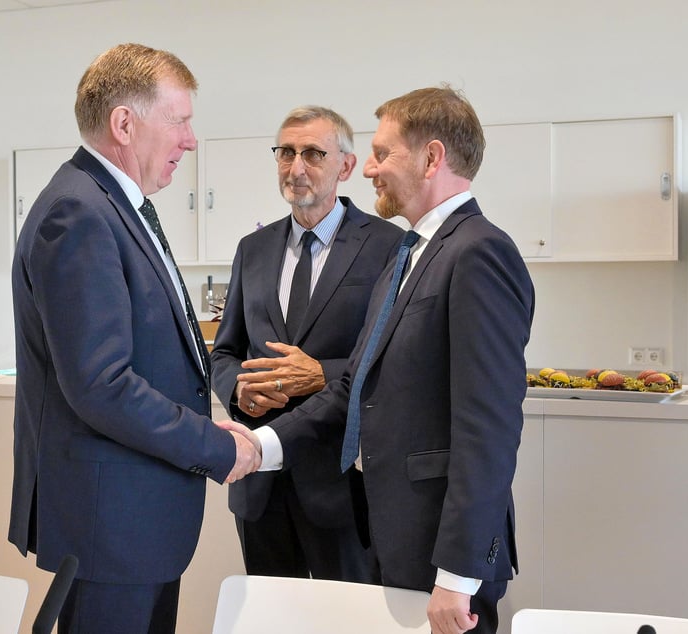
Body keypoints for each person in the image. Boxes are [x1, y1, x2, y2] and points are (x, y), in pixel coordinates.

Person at [225, 85, 535, 634]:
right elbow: (356, 387)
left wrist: (459, 575)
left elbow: (487, 429)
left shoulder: (478, 251)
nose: (368, 170)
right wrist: (259, 444)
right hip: (395, 534)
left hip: (442, 555)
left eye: (382, 153)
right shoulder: (411, 255)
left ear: (432, 158)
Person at [8, 43, 259, 634]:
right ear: (125, 123)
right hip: (110, 526)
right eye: (180, 120)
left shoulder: (115, 205)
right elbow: (101, 385)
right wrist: (215, 448)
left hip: (133, 523)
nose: (191, 140)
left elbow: (142, 361)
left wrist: (206, 424)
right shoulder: (78, 214)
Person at [210, 106, 404, 582]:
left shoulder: (388, 245)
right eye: (286, 153)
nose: (296, 167)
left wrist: (322, 373)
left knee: (346, 621)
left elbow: (393, 360)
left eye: (314, 153)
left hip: (340, 482)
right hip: (260, 488)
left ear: (345, 166)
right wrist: (237, 387)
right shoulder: (250, 250)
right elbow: (224, 352)